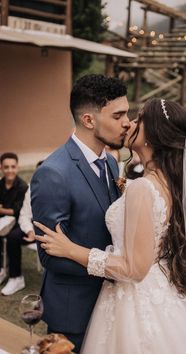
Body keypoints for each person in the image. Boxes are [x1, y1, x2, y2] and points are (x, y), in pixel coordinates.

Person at [35, 98, 186, 354]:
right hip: (160, 294)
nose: (129, 124)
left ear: (152, 134)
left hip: (135, 302)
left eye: (138, 119)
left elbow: (134, 268)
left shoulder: (144, 187)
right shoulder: (167, 183)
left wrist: (71, 249)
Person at [31, 74, 130, 352]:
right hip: (73, 310)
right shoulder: (53, 173)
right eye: (118, 115)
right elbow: (49, 256)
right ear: (89, 120)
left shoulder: (111, 163)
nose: (127, 122)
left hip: (111, 304)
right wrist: (116, 267)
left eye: (127, 114)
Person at [1, 161, 43, 295]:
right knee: (12, 237)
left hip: (53, 228)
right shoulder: (31, 189)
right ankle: (16, 278)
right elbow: (24, 215)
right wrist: (30, 231)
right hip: (33, 225)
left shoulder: (60, 189)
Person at [0, 152, 28, 285]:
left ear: (17, 167)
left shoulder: (22, 187)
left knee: (12, 237)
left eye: (13, 166)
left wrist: (2, 210)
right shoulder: (0, 184)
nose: (10, 170)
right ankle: (2, 269)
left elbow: (17, 211)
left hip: (21, 223)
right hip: (3, 222)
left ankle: (16, 277)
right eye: (6, 167)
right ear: (1, 168)